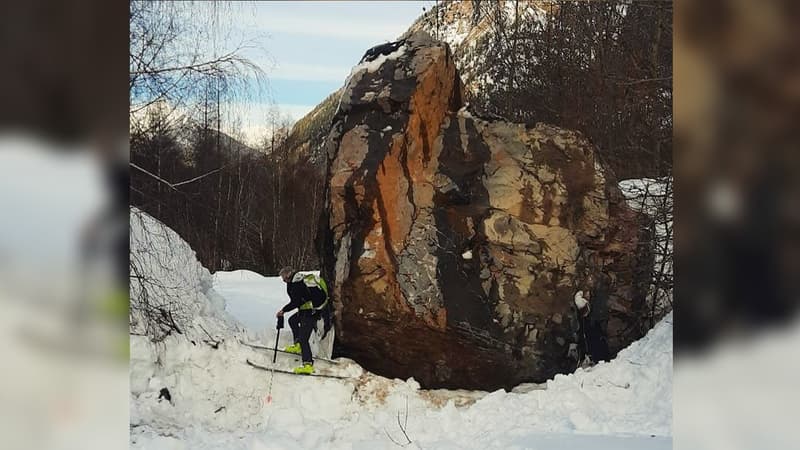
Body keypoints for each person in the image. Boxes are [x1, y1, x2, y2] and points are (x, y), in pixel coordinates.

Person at [275, 267, 329, 374]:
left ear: (288, 275)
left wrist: (283, 310)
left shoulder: (297, 283)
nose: (283, 280)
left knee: (304, 338)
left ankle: (307, 364)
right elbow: (298, 300)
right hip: (306, 310)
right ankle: (298, 345)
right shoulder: (295, 281)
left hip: (311, 312)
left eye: (283, 277)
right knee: (292, 321)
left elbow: (296, 302)